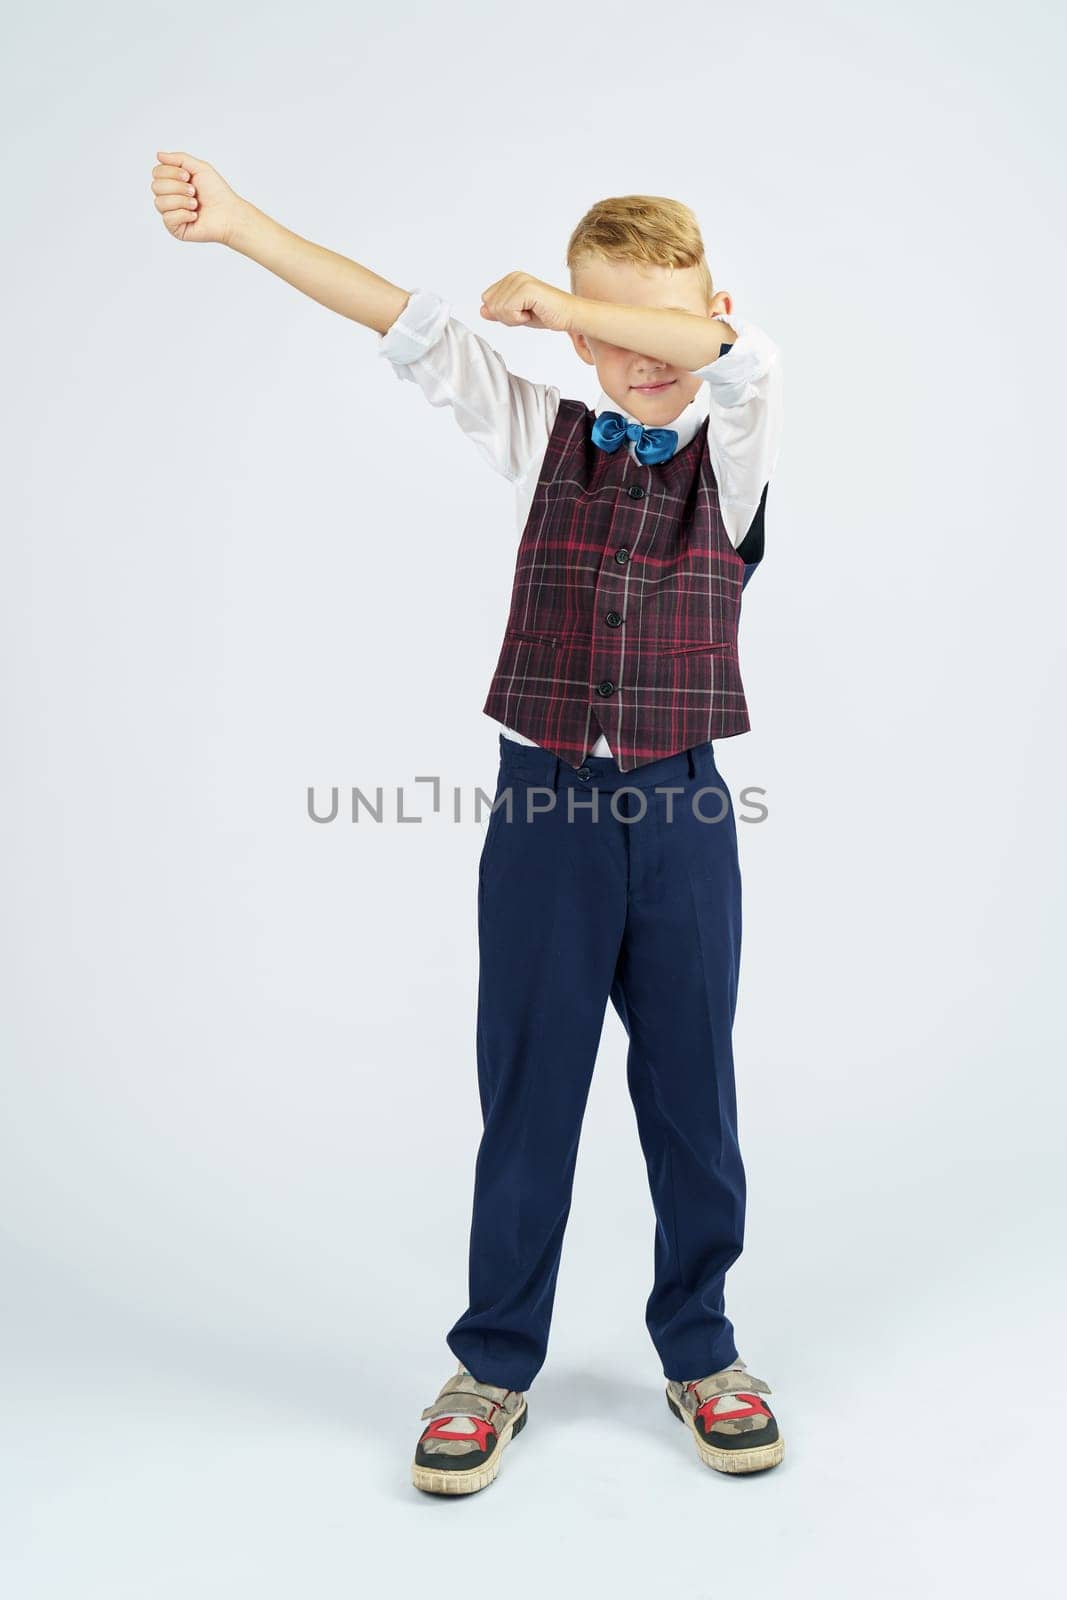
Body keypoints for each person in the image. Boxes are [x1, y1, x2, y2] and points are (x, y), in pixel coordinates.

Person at [149, 155, 786, 1496]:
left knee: (692, 1097)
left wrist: (569, 304)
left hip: (680, 813)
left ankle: (704, 1344)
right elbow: (402, 317)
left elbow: (723, 349)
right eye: (603, 336)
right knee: (529, 1090)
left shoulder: (738, 430)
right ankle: (495, 1363)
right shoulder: (538, 429)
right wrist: (246, 225)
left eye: (645, 327)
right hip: (542, 809)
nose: (631, 357)